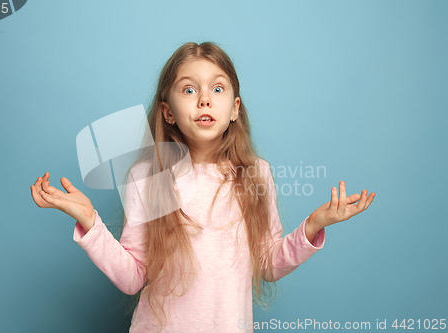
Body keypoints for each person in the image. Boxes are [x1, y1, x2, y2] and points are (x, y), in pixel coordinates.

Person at [30, 41, 375, 333]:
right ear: (167, 112)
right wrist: (91, 221)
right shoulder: (147, 177)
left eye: (218, 88)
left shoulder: (256, 174)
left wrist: (313, 226)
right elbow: (133, 277)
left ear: (234, 108)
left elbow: (268, 264)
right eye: (189, 89)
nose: (204, 100)